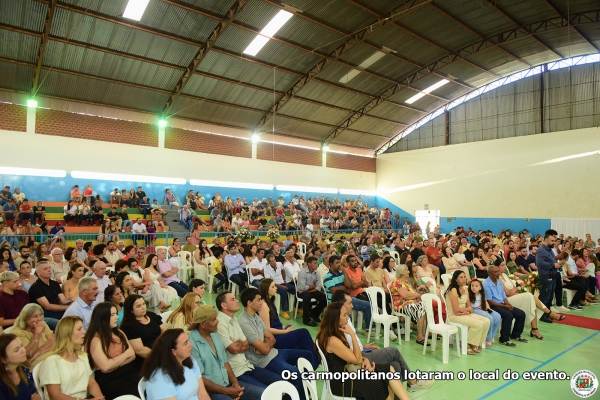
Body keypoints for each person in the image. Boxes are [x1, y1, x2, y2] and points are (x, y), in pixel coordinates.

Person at [330, 289, 434, 392]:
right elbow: (348, 352)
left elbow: (351, 342)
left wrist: (363, 346)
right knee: (393, 351)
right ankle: (413, 382)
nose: (352, 306)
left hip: (361, 352)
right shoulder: (339, 324)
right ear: (341, 305)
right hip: (358, 358)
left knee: (395, 365)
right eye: (350, 303)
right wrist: (362, 355)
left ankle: (397, 395)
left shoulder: (345, 318)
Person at [315, 302, 411, 400]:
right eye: (344, 315)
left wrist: (364, 359)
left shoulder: (334, 334)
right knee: (377, 381)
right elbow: (356, 359)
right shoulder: (332, 340)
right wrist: (352, 335)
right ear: (335, 319)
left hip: (348, 373)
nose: (347, 318)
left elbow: (351, 355)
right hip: (341, 382)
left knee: (388, 369)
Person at [237, 288, 308, 399]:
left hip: (273, 353)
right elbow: (265, 349)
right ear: (249, 303)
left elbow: (271, 339)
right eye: (259, 300)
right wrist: (266, 345)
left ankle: (303, 394)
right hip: (264, 361)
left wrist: (266, 344)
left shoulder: (255, 316)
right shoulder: (244, 322)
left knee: (307, 355)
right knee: (296, 375)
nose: (262, 302)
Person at [188, 305, 265, 400]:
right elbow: (200, 379)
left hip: (227, 384)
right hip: (211, 392)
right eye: (214, 319)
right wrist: (227, 391)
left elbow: (225, 362)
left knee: (264, 394)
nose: (218, 321)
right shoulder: (192, 345)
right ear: (203, 324)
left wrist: (235, 384)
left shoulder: (214, 335)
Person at [214, 291, 283, 391]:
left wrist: (237, 343)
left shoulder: (234, 319)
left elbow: (246, 344)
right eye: (233, 299)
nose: (237, 301)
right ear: (224, 305)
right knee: (266, 392)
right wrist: (239, 344)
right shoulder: (220, 324)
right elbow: (233, 349)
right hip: (237, 371)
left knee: (280, 381)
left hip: (248, 366)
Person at [257, 279, 319, 368]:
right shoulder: (264, 305)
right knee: (303, 333)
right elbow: (267, 330)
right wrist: (284, 332)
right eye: (273, 287)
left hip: (279, 333)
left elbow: (275, 322)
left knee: (301, 340)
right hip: (275, 339)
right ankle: (314, 361)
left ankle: (309, 363)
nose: (276, 288)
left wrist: (283, 327)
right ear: (266, 290)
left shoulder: (270, 302)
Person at [38, 316, 104, 400]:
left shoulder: (82, 356)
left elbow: (91, 382)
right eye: (79, 329)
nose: (84, 332)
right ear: (67, 333)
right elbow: (55, 396)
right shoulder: (52, 362)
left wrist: (100, 398)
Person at [84, 302, 138, 399]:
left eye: (116, 314)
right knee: (132, 394)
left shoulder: (119, 332)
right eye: (112, 315)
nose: (117, 317)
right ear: (102, 318)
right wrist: (125, 355)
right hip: (110, 379)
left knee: (149, 386)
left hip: (129, 370)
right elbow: (105, 366)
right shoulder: (95, 339)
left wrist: (113, 363)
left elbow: (132, 355)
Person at [141, 329, 211, 400]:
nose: (191, 345)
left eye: (188, 340)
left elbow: (202, 394)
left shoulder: (190, 360)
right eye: (185, 343)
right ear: (173, 352)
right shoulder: (161, 378)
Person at [444, 271, 490, 354]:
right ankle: (466, 344)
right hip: (454, 315)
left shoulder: (465, 289)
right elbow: (456, 310)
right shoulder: (453, 290)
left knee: (486, 321)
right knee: (478, 324)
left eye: (464, 277)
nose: (464, 279)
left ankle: (473, 343)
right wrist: (467, 310)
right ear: (456, 279)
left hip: (464, 313)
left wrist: (466, 311)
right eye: (461, 277)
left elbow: (470, 307)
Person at [483, 265, 527, 347]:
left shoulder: (499, 282)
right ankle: (504, 339)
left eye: (498, 271)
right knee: (508, 315)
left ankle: (515, 335)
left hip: (502, 304)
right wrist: (504, 307)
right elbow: (489, 301)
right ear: (489, 273)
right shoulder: (486, 284)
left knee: (521, 314)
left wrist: (508, 304)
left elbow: (504, 296)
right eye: (495, 272)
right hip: (492, 306)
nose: (497, 273)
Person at [120, 294, 166, 369]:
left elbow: (164, 330)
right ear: (131, 310)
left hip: (162, 350)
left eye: (144, 304)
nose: (143, 307)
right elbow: (140, 350)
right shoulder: (129, 326)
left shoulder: (151, 315)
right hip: (147, 359)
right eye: (138, 306)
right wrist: (160, 355)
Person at [389, 264, 428, 345]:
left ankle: (426, 333)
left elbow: (412, 292)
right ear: (402, 272)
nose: (409, 271)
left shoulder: (406, 281)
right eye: (407, 270)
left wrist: (416, 296)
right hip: (401, 305)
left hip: (410, 303)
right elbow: (405, 295)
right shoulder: (397, 282)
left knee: (426, 306)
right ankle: (420, 335)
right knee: (422, 307)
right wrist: (417, 296)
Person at [28, 261, 70, 329]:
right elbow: (47, 306)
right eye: (45, 269)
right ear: (38, 273)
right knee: (65, 324)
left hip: (57, 310)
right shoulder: (35, 287)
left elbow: (64, 300)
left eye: (49, 268)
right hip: (44, 315)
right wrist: (67, 307)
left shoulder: (54, 283)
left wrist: (75, 304)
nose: (49, 270)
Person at [10, 304, 54, 369]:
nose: (39, 319)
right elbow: (28, 354)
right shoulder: (18, 333)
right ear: (26, 319)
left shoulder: (41, 323)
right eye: (35, 316)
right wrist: (37, 333)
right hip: (37, 364)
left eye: (40, 315)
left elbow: (53, 340)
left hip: (49, 357)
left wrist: (37, 353)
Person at [0, 334, 41, 400]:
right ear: (3, 359)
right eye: (16, 350)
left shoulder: (24, 370)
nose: (24, 350)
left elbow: (34, 395)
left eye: (22, 346)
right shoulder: (1, 383)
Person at [467, 279, 501, 347]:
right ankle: (488, 338)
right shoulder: (469, 294)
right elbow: (468, 305)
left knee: (497, 316)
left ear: (480, 288)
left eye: (476, 286)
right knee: (490, 318)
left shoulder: (481, 294)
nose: (474, 287)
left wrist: (488, 309)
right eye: (472, 286)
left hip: (482, 308)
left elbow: (485, 302)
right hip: (474, 310)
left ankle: (491, 336)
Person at [296, 256, 327, 327]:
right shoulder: (302, 272)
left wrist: (310, 290)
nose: (317, 265)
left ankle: (314, 313)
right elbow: (302, 287)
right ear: (309, 264)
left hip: (310, 292)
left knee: (324, 297)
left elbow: (318, 287)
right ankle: (306, 319)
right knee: (307, 296)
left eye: (317, 263)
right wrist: (313, 286)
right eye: (315, 263)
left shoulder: (316, 272)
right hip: (301, 292)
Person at [536, 229, 562, 310]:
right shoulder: (541, 250)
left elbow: (553, 260)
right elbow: (539, 263)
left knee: (550, 296)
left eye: (554, 241)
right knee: (545, 297)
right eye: (552, 241)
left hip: (552, 275)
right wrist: (553, 265)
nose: (554, 242)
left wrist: (557, 264)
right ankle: (542, 314)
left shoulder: (550, 250)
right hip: (545, 276)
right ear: (546, 240)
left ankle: (547, 313)